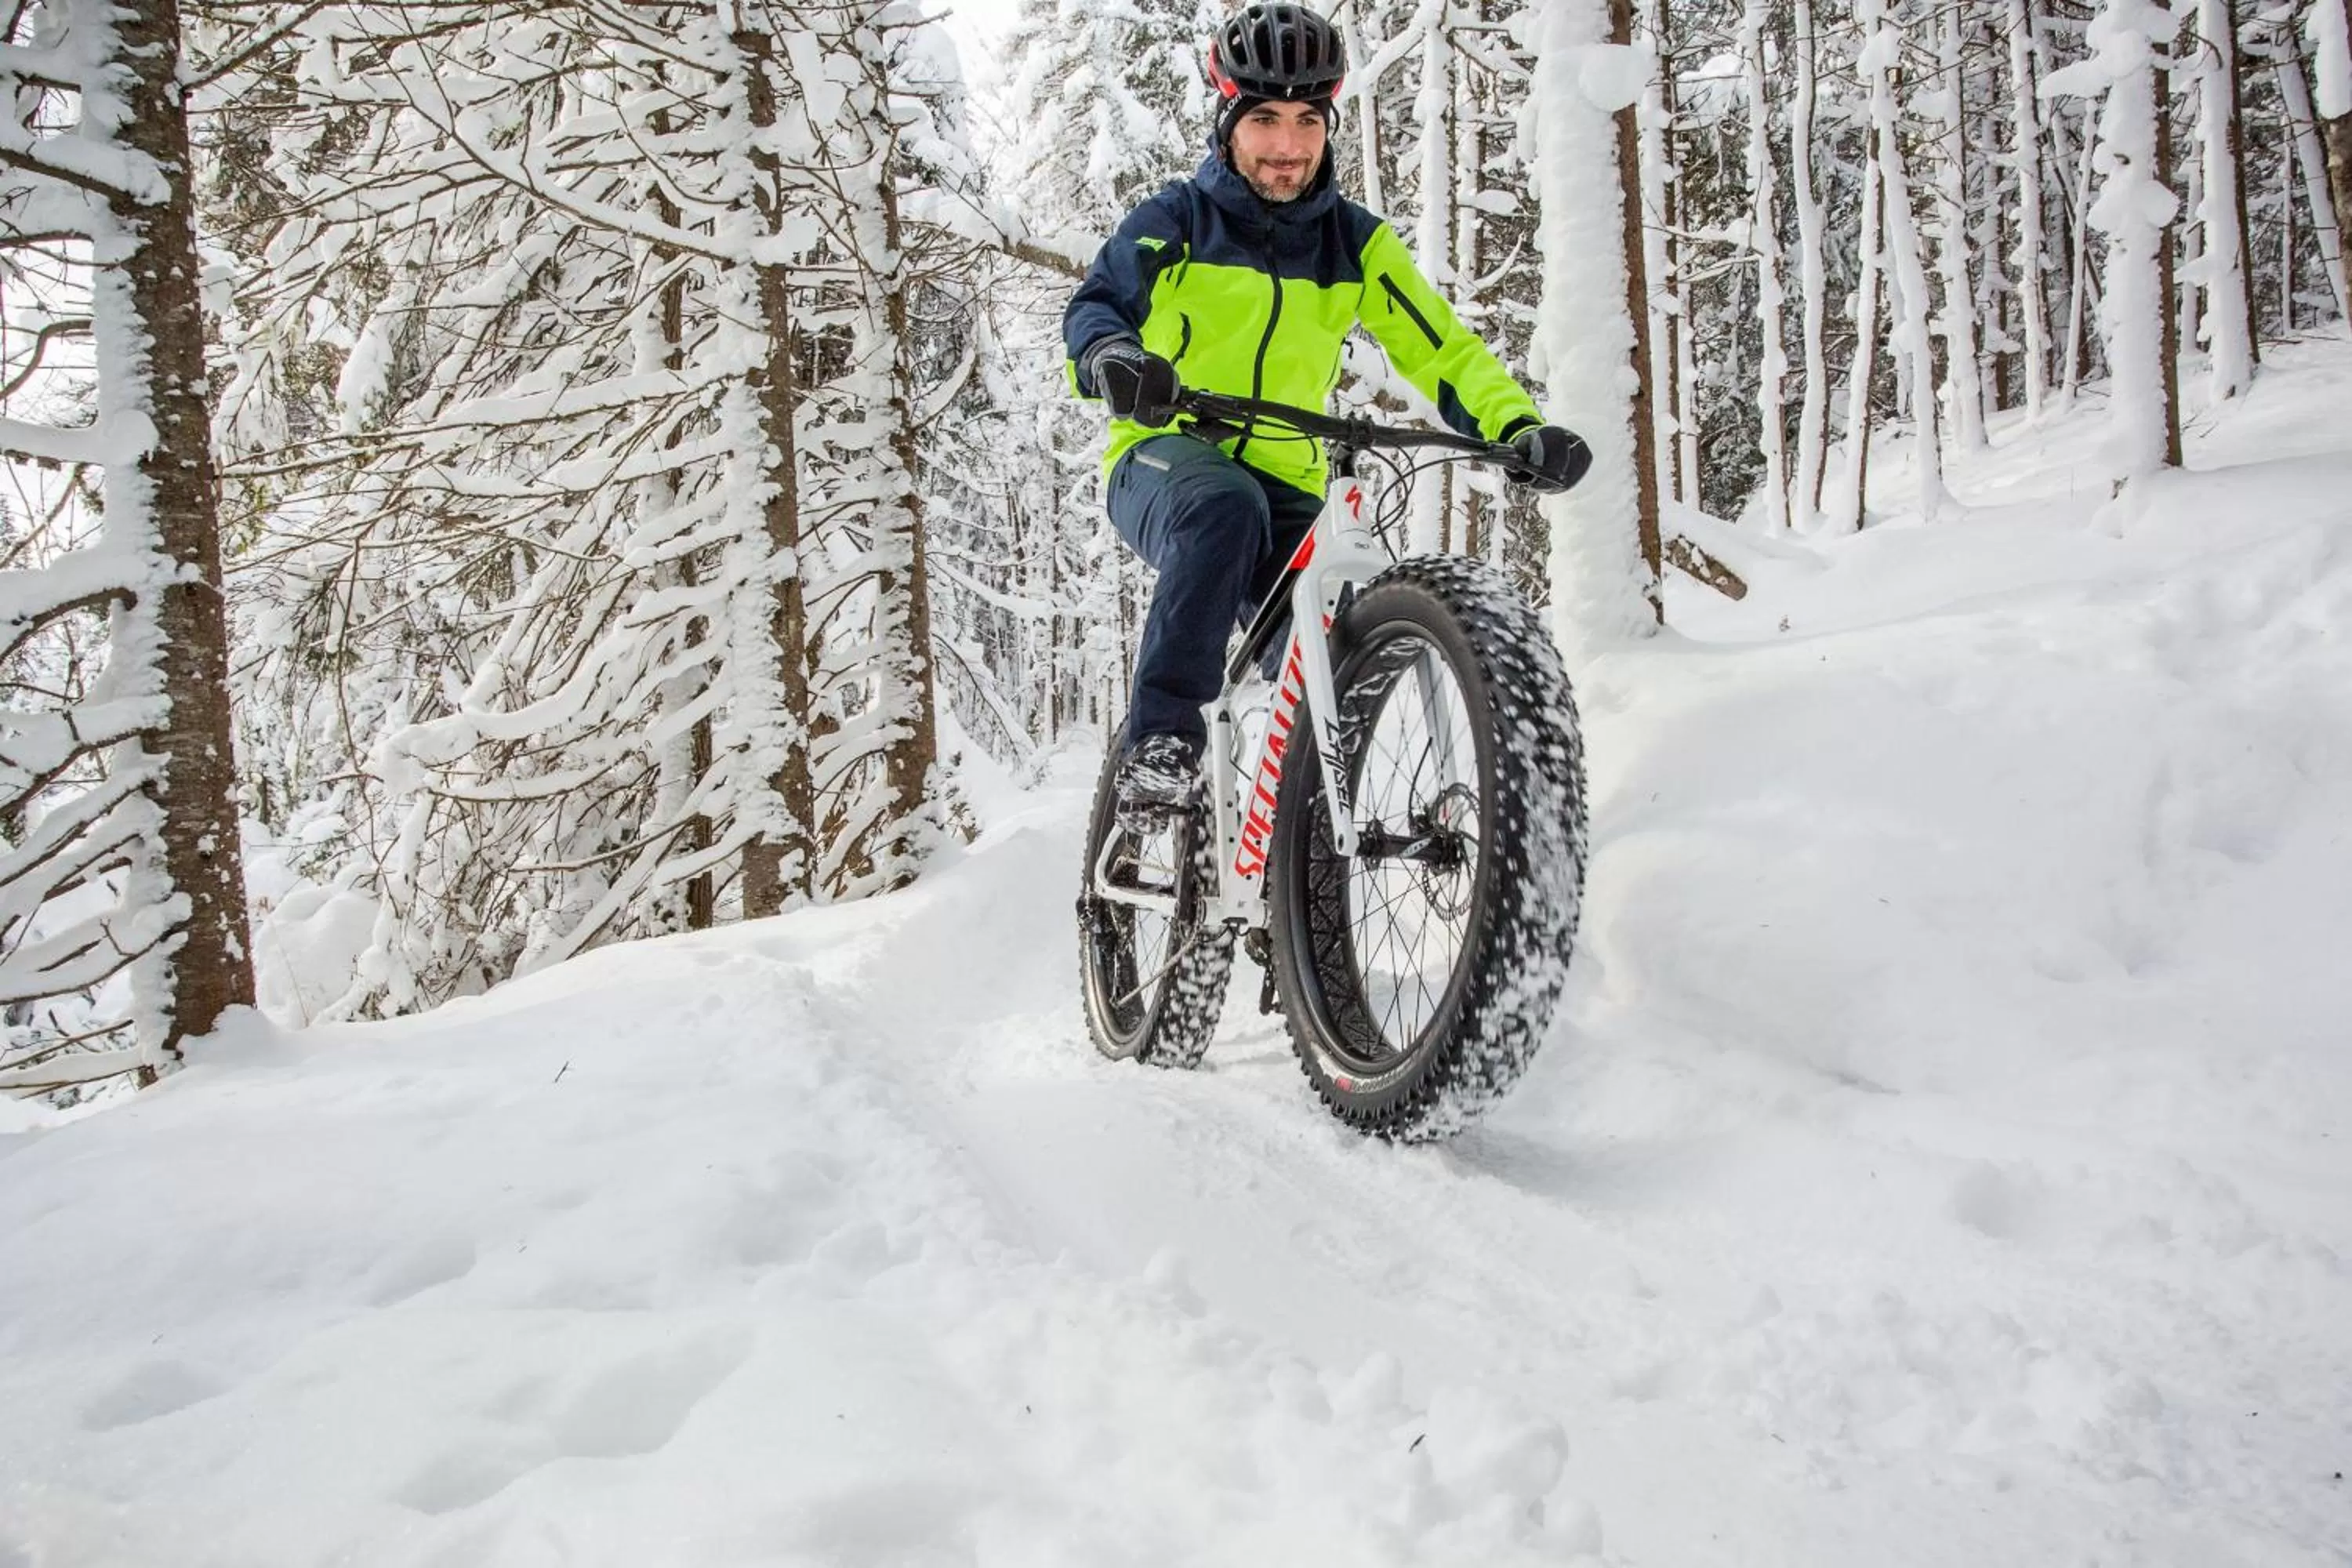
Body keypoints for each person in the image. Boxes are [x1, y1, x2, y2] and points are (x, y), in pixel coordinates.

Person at [1065, 1, 1590, 830]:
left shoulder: (1353, 245)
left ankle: (1304, 891)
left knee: (1335, 641)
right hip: (1164, 457)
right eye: (1266, 118)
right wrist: (1116, 362)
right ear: (1229, 120)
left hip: (1286, 479)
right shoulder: (1176, 223)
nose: (1288, 145)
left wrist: (1516, 428)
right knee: (1221, 508)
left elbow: (1443, 353)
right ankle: (1160, 747)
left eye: (1307, 119)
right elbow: (1097, 308)